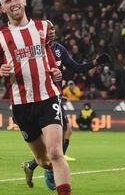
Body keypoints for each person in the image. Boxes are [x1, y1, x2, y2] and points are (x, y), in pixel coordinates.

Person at [0, 0, 71, 195]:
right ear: (2, 8)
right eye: (7, 1)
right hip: (21, 105)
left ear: (24, 1)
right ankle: (34, 167)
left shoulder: (43, 27)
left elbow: (47, 51)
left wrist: (54, 69)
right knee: (43, 160)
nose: (13, 3)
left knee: (55, 152)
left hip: (47, 97)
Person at [21, 41, 111, 190]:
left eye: (53, 29)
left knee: (66, 131)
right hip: (40, 100)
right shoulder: (34, 49)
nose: (51, 32)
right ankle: (47, 169)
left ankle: (34, 166)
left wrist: (96, 62)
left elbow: (76, 67)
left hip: (55, 99)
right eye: (48, 29)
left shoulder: (58, 49)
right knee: (49, 145)